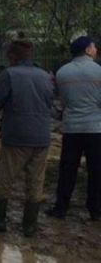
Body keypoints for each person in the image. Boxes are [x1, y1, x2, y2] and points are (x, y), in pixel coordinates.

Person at [0, 38, 54, 237]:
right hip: (41, 136)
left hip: (16, 136)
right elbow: (49, 102)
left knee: (6, 177)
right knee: (36, 181)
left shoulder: (9, 74)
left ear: (12, 56)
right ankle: (29, 226)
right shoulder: (45, 76)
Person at [47, 36, 101, 221]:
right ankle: (95, 209)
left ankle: (61, 207)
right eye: (94, 46)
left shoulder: (62, 72)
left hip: (70, 128)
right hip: (95, 128)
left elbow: (61, 100)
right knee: (96, 170)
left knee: (68, 169)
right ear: (87, 50)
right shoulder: (98, 71)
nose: (96, 49)